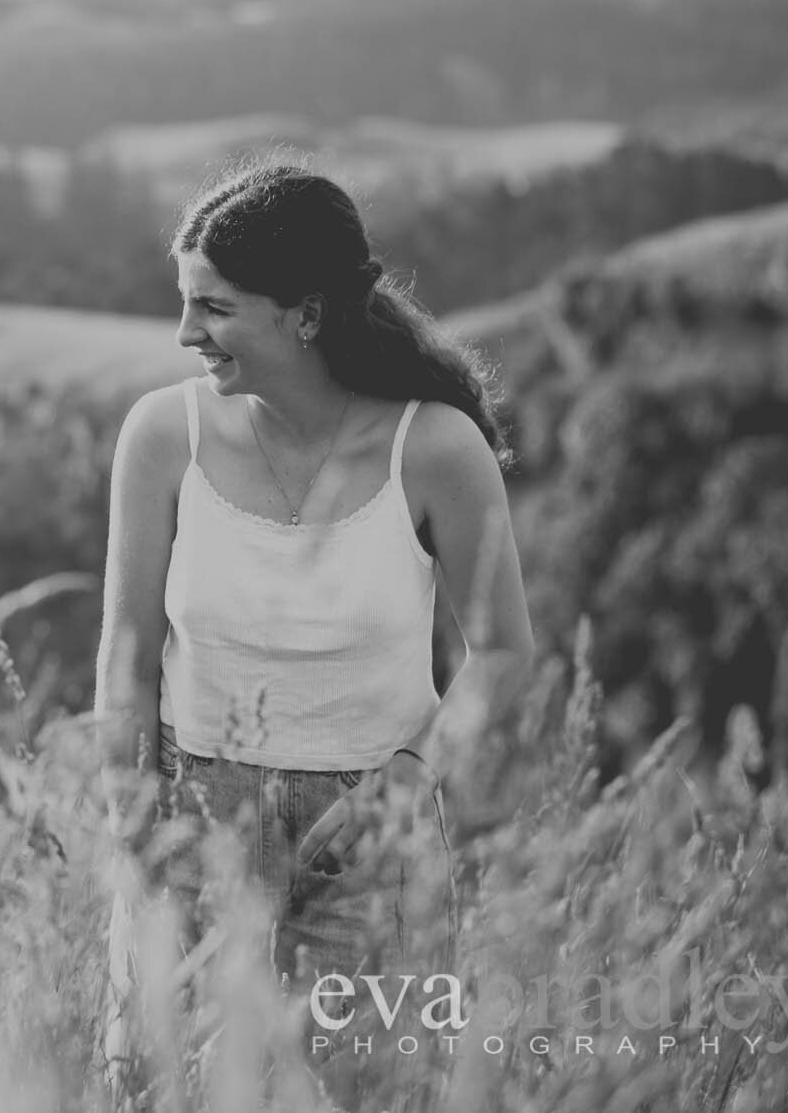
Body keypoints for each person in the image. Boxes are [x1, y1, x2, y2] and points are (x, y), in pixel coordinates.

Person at [94, 162, 535, 1076]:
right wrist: (135, 823)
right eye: (185, 302)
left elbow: (501, 652)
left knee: (370, 1095)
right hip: (194, 821)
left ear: (305, 313)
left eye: (214, 308)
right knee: (174, 1091)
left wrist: (414, 781)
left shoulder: (437, 447)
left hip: (375, 838)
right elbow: (128, 657)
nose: (186, 333)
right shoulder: (160, 436)